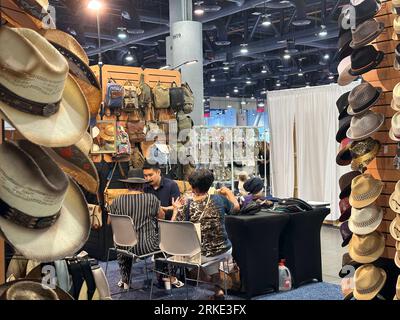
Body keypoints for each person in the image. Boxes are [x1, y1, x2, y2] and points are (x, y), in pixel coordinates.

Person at [171, 169, 240, 300]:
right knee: (212, 257)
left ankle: (211, 282)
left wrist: (175, 209)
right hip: (224, 250)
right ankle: (218, 291)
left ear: (192, 186)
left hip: (200, 255)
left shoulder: (186, 205)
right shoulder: (219, 199)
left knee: (194, 258)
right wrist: (229, 193)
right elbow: (236, 207)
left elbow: (172, 228)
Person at [108, 168, 162, 290]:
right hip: (145, 246)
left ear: (127, 184)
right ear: (142, 184)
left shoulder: (117, 200)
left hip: (122, 245)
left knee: (124, 245)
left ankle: (126, 280)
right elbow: (161, 217)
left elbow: (109, 221)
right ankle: (165, 276)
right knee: (164, 243)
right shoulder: (151, 198)